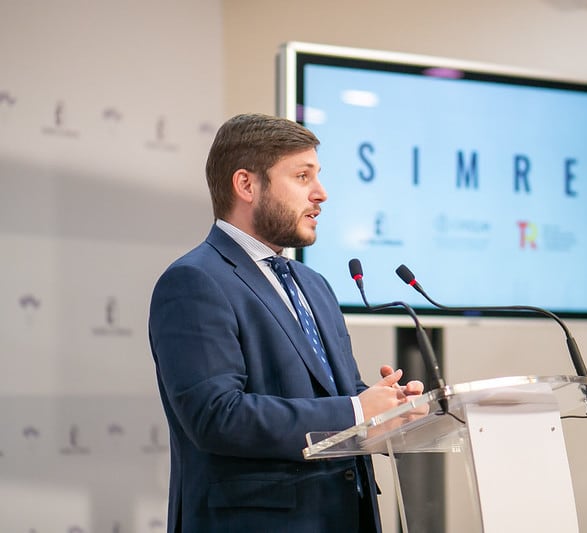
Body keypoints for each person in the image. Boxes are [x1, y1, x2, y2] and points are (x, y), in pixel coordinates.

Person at [148, 113, 424, 532]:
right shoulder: (194, 280)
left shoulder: (314, 284)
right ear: (246, 185)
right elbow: (217, 417)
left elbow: (342, 394)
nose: (321, 193)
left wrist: (388, 409)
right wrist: (355, 410)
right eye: (302, 176)